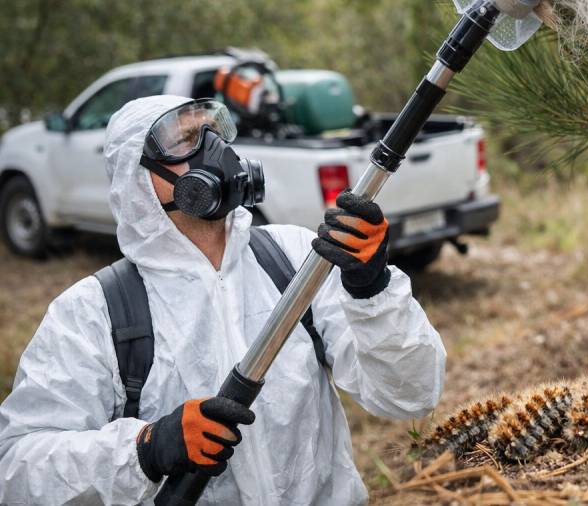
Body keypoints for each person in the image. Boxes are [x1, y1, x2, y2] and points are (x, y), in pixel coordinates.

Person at [0, 95, 446, 504]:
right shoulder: (93, 313)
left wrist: (371, 290)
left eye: (214, 133)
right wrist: (145, 449)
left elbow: (411, 397)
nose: (214, 150)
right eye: (188, 140)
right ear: (139, 179)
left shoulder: (295, 260)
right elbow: (17, 471)